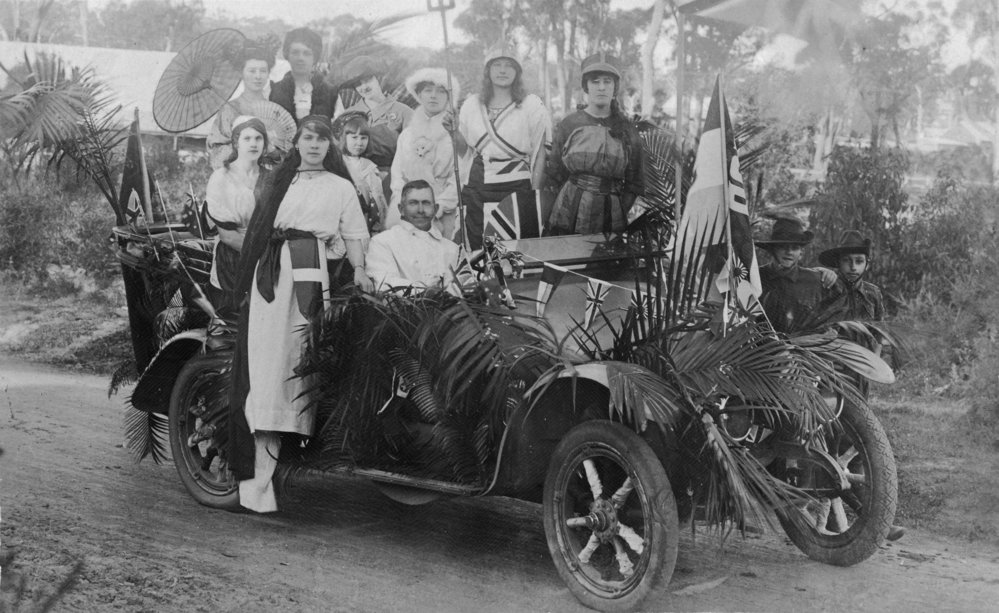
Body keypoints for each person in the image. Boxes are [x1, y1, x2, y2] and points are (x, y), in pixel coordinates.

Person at [229, 115, 373, 513]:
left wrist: (360, 269)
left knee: (295, 361)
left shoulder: (341, 187)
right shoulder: (278, 180)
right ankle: (256, 487)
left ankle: (278, 471)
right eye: (307, 138)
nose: (314, 146)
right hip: (270, 275)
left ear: (330, 146)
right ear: (298, 143)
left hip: (310, 271)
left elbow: (355, 235)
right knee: (265, 365)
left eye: (321, 140)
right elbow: (258, 229)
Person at [449, 48, 550, 250]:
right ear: (488, 70)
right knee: (478, 243)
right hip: (479, 182)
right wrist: (452, 132)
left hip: (517, 185)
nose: (503, 70)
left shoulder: (532, 104)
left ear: (517, 72)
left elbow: (539, 152)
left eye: (509, 65)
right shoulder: (471, 104)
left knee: (514, 244)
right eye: (497, 65)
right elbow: (466, 152)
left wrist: (533, 195)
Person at [546, 52, 644, 236]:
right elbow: (555, 174)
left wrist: (616, 210)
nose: (601, 88)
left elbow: (635, 182)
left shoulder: (627, 129)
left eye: (607, 81)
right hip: (569, 210)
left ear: (615, 87)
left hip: (611, 215)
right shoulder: (570, 124)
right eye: (595, 81)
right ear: (586, 86)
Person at [389, 68, 468, 240]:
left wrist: (437, 207)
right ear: (419, 94)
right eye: (428, 90)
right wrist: (406, 205)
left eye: (441, 91)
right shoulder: (407, 135)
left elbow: (459, 179)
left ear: (449, 97)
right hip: (406, 211)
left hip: (442, 211)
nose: (434, 96)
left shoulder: (455, 135)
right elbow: (397, 175)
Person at [204, 116, 269, 300]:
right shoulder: (221, 177)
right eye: (247, 139)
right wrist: (264, 258)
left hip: (267, 260)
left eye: (258, 138)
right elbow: (227, 236)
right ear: (236, 142)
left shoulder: (271, 178)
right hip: (233, 259)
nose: (253, 144)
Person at [207, 38, 297, 169]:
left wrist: (273, 150)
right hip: (236, 178)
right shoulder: (229, 110)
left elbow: (287, 155)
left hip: (268, 179)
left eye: (263, 71)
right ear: (241, 73)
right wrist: (246, 145)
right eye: (252, 71)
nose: (258, 76)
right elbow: (216, 149)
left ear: (268, 74)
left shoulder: (275, 111)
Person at [365, 179, 463, 295]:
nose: (420, 210)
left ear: (435, 209)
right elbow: (384, 283)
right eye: (413, 203)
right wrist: (427, 291)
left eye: (426, 203)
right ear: (401, 209)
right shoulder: (382, 242)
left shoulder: (451, 248)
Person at [339, 55, 414, 188]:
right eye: (358, 84)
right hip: (356, 180)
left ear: (378, 79)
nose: (364, 87)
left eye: (368, 80)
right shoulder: (348, 115)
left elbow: (414, 153)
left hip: (394, 180)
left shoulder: (403, 112)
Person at [756, 217, 838, 334]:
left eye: (795, 248)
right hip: (758, 349)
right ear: (772, 249)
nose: (789, 252)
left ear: (801, 253)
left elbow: (832, 317)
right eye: (783, 246)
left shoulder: (816, 280)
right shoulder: (754, 277)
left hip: (803, 348)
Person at [333, 111, 388, 233]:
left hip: (366, 219)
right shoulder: (337, 164)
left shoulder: (369, 167)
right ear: (343, 137)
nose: (359, 143)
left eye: (363, 138)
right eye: (354, 137)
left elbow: (379, 198)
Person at [269, 27, 336, 123]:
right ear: (287, 54)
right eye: (295, 52)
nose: (300, 58)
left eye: (307, 53)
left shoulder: (330, 92)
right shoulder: (275, 90)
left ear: (315, 56)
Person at [817, 230, 886, 322]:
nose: (853, 267)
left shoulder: (873, 292)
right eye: (846, 260)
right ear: (838, 263)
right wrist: (817, 272)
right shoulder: (827, 286)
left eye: (859, 261)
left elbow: (880, 330)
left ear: (867, 265)